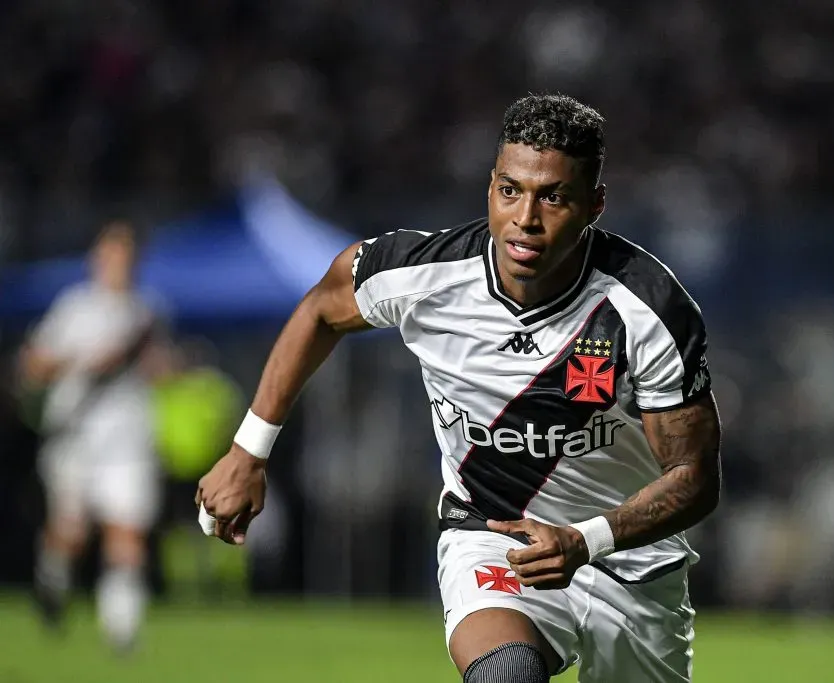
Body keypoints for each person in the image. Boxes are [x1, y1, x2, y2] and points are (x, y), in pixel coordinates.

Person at [197, 94, 722, 682]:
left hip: (629, 557)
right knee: (506, 673)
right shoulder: (424, 275)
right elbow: (322, 309)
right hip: (491, 533)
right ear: (489, 188)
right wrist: (249, 450)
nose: (525, 217)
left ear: (594, 205)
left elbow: (695, 478)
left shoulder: (648, 310)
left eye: (553, 196)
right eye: (509, 190)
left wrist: (586, 539)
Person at [18, 222, 163, 652]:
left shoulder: (147, 310)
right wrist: (75, 363)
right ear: (97, 259)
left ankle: (121, 631)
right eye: (112, 254)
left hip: (127, 439)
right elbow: (35, 364)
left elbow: (152, 364)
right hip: (75, 437)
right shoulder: (74, 308)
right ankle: (51, 583)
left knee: (127, 531)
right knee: (71, 533)